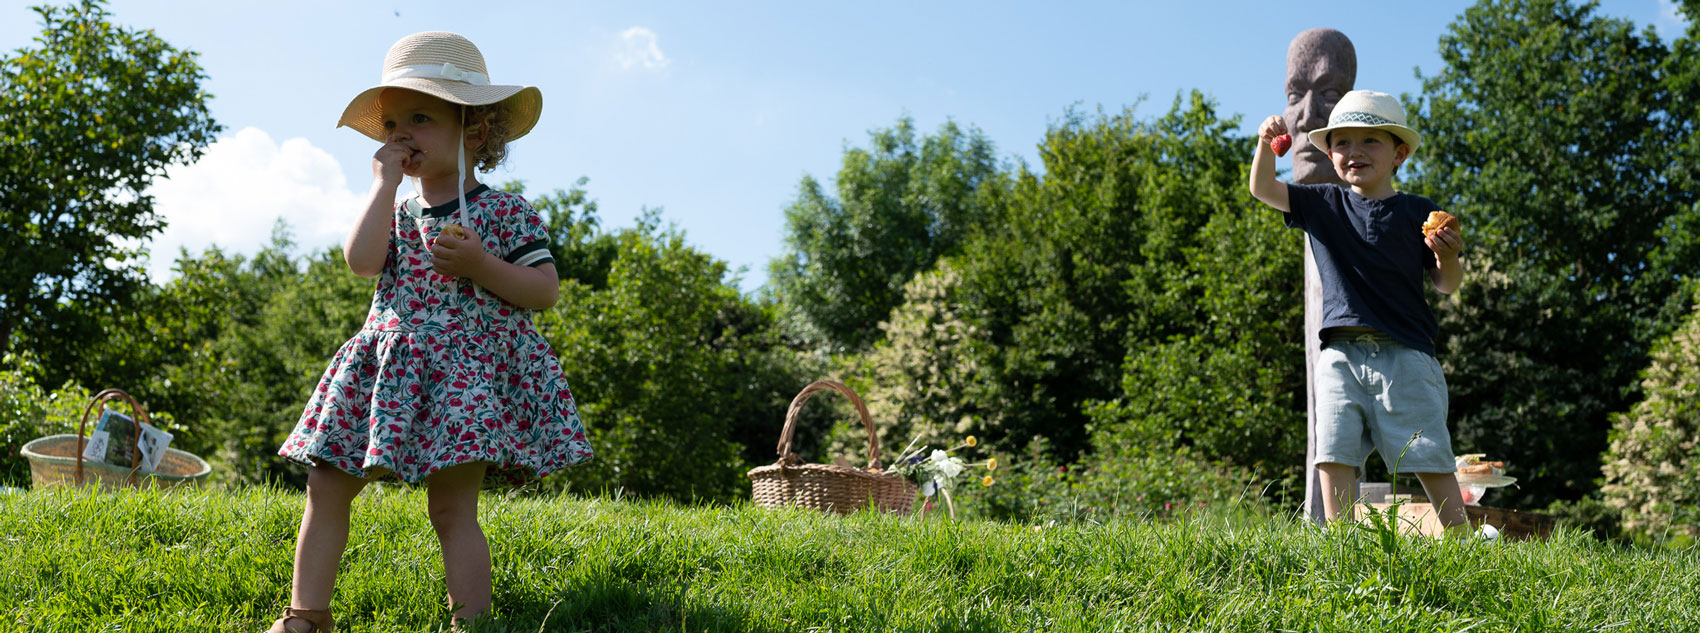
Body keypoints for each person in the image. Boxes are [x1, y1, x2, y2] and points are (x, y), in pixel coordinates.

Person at [268, 31, 593, 632]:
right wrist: (382, 184)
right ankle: (306, 617)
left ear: (474, 130)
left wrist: (481, 266)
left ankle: (471, 623)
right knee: (325, 481)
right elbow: (363, 262)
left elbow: (543, 290)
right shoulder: (393, 208)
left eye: (420, 118)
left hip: (462, 376)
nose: (401, 136)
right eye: (392, 123)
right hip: (387, 365)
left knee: (449, 508)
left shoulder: (504, 212)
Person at [1247, 90, 1470, 536]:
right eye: (1343, 143)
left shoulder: (1419, 212)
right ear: (1330, 155)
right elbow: (1263, 189)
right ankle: (1344, 547)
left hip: (1405, 352)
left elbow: (1446, 284)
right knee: (1333, 450)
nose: (1355, 152)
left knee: (1426, 448)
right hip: (1339, 353)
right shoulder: (1322, 202)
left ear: (1399, 154)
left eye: (1371, 141)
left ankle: (1461, 542)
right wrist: (1263, 144)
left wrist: (1448, 257)